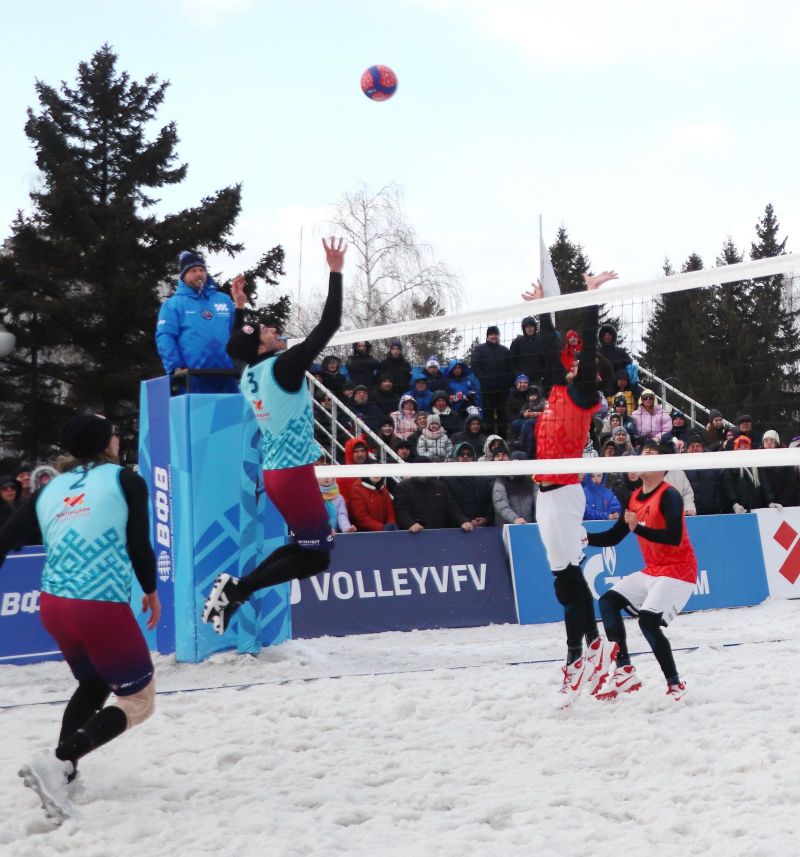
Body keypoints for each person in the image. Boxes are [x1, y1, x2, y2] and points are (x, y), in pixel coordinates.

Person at [0, 413, 159, 821]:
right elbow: (139, 546)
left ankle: (65, 775)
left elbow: (4, 540)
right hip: (98, 604)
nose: (118, 438)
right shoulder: (124, 479)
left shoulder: (49, 489)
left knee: (94, 682)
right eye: (115, 434)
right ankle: (58, 763)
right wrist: (151, 590)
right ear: (106, 443)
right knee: (139, 700)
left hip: (54, 605)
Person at [202, 238, 346, 634]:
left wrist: (240, 308)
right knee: (316, 558)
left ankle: (238, 590)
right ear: (261, 345)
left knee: (305, 549)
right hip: (293, 474)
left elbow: (239, 346)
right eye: (267, 330)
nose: (274, 330)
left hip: (278, 473)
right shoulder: (283, 367)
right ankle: (238, 588)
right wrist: (335, 272)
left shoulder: (248, 372)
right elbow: (328, 325)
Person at [522, 270, 620, 706]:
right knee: (564, 579)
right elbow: (550, 350)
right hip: (546, 495)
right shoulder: (559, 389)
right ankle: (593, 648)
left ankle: (581, 654)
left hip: (563, 494)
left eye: (585, 366)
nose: (576, 363)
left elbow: (590, 350)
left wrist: (591, 298)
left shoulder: (584, 396)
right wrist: (544, 308)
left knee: (567, 581)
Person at [585, 439, 697, 702]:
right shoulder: (634, 497)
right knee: (607, 602)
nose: (641, 457)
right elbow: (614, 536)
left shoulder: (669, 495)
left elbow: (673, 537)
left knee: (647, 622)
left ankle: (675, 685)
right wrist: (582, 537)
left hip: (679, 571)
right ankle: (624, 669)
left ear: (661, 465)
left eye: (649, 453)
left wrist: (639, 529)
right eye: (642, 453)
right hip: (653, 570)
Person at [155, 251, 246, 393]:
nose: (199, 274)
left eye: (202, 270)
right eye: (193, 271)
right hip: (192, 378)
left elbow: (237, 334)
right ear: (183, 276)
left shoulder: (223, 300)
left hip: (227, 376)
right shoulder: (173, 304)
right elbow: (165, 337)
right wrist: (175, 368)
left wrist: (239, 306)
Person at [393, 462, 474, 533]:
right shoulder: (402, 487)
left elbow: (452, 508)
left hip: (439, 533)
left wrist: (463, 521)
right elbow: (401, 511)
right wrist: (410, 524)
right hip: (414, 535)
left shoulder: (441, 486)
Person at [470, 325, 514, 436]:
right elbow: (475, 366)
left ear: (499, 336)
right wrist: (485, 379)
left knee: (502, 416)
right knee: (488, 417)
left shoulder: (505, 350)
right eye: (491, 334)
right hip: (487, 390)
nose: (493, 336)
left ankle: (503, 439)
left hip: (502, 391)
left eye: (496, 334)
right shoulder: (480, 349)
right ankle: (488, 439)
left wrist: (507, 382)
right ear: (487, 336)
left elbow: (511, 369)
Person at [445, 442, 494, 528]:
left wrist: (486, 518)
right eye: (461, 454)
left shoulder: (483, 477)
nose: (465, 456)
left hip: (483, 526)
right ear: (456, 457)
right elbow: (450, 505)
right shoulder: (448, 479)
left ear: (473, 457)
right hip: (458, 528)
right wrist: (463, 521)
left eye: (469, 454)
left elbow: (491, 501)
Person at [684, 434, 725, 515]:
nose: (695, 448)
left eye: (698, 445)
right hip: (691, 512)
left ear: (703, 448)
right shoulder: (681, 465)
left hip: (713, 511)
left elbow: (720, 487)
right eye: (692, 446)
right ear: (687, 449)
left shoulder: (713, 463)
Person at [493, 451, 536, 524]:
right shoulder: (501, 480)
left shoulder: (532, 481)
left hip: (529, 525)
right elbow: (500, 503)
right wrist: (514, 519)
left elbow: (539, 502)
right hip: (506, 527)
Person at [759, 430, 799, 508]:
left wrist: (782, 502)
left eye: (772, 440)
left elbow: (790, 483)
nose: (769, 443)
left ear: (776, 443)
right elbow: (761, 485)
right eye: (766, 440)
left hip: (785, 505)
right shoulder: (757, 460)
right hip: (765, 505)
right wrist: (769, 502)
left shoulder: (785, 459)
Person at [509, 315, 544, 387]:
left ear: (535, 327)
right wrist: (518, 375)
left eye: (531, 326)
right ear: (524, 328)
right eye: (527, 326)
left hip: (538, 380)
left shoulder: (541, 340)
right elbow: (512, 361)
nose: (529, 328)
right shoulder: (517, 342)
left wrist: (543, 374)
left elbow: (545, 359)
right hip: (522, 381)